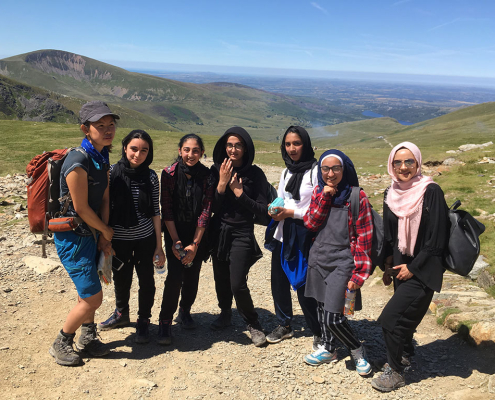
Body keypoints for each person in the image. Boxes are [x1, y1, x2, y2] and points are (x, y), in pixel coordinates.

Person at [371, 142, 449, 392]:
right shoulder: (390, 192)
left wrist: (414, 268)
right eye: (397, 162)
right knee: (404, 316)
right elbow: (390, 236)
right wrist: (386, 264)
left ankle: (395, 372)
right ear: (391, 165)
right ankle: (404, 353)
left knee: (390, 320)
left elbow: (437, 239)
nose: (403, 167)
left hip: (424, 269)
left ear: (418, 162)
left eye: (409, 162)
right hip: (401, 266)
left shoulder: (431, 191)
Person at [49, 101, 117, 366]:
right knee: (92, 297)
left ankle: (87, 338)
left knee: (87, 290)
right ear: (85, 129)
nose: (108, 130)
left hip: (91, 232)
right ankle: (61, 341)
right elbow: (81, 207)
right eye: (100, 126)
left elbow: (105, 198)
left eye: (111, 125)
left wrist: (103, 235)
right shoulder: (78, 160)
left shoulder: (101, 156)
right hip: (74, 236)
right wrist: (106, 230)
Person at [303, 150, 372, 376]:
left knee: (334, 316)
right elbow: (311, 223)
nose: (330, 173)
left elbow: (364, 238)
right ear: (320, 171)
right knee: (321, 306)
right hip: (319, 257)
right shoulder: (318, 191)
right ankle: (329, 348)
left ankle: (356, 349)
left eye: (336, 168)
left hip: (343, 262)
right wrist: (325, 196)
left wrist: (359, 274)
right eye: (325, 169)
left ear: (345, 170)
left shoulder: (357, 197)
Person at [97, 130, 164, 344]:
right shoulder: (112, 172)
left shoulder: (151, 176)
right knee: (121, 277)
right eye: (134, 149)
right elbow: (105, 205)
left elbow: (155, 212)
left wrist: (158, 246)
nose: (138, 154)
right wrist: (105, 236)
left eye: (144, 150)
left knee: (146, 280)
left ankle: (143, 320)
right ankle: (121, 314)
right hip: (119, 238)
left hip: (145, 238)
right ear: (125, 147)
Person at [209, 127, 269, 347]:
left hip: (243, 232)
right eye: (229, 145)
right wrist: (222, 184)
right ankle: (225, 313)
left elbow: (262, 210)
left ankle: (253, 323)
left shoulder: (255, 174)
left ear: (246, 148)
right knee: (220, 277)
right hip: (219, 231)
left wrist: (239, 193)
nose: (233, 149)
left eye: (238, 145)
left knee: (237, 283)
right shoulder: (216, 170)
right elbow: (211, 207)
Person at [265, 126, 321, 349]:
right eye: (288, 144)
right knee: (278, 281)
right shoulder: (286, 171)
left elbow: (319, 209)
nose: (292, 149)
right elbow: (280, 199)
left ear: (305, 144)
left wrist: (292, 213)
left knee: (304, 284)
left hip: (305, 234)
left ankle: (317, 329)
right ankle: (284, 324)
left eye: (296, 143)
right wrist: (274, 210)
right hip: (282, 233)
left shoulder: (315, 171)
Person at [157, 134, 214, 345]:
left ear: (201, 152)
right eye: (187, 150)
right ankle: (165, 321)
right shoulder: (169, 174)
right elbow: (167, 209)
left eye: (196, 150)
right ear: (180, 150)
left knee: (192, 275)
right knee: (174, 277)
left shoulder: (207, 175)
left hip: (197, 234)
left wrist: (195, 244)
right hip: (175, 232)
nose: (191, 154)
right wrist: (175, 241)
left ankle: (185, 310)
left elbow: (206, 210)